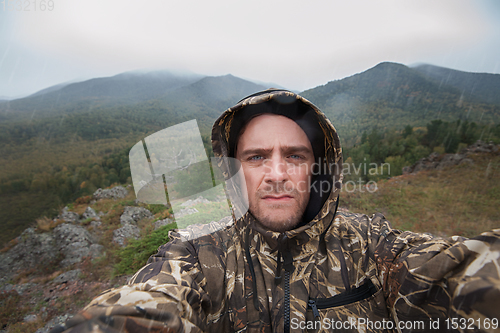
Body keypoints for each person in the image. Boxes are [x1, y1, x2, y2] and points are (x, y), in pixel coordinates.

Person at [52, 89, 500, 333]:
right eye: (256, 157)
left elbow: (460, 272)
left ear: (318, 169)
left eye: (296, 156)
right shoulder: (196, 259)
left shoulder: (372, 245)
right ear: (234, 174)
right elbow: (146, 305)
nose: (277, 173)